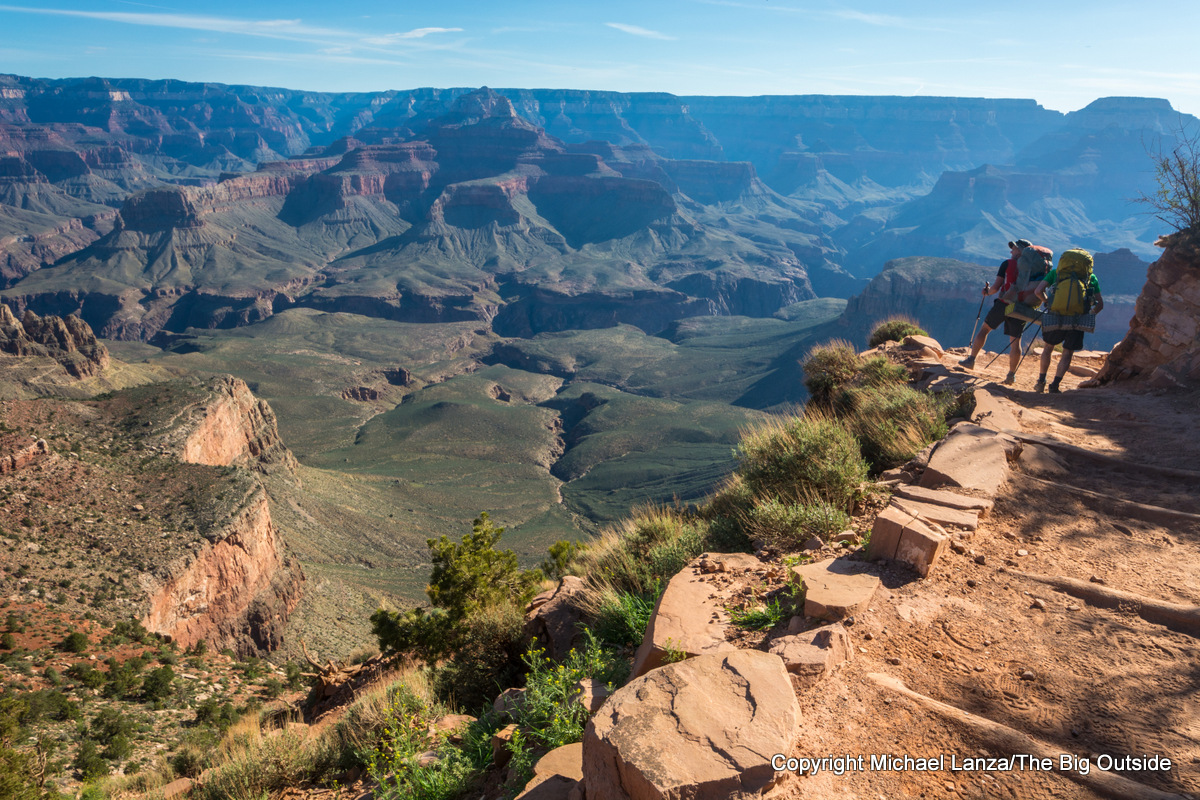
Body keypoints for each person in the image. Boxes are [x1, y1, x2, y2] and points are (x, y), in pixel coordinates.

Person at [959, 238, 1041, 384]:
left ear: (1021, 251)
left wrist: (987, 292)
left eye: (1014, 248)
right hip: (1021, 307)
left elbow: (996, 288)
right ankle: (1011, 376)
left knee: (984, 329)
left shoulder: (1007, 264)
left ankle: (971, 360)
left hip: (1004, 303)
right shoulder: (1033, 269)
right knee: (1016, 341)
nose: (1011, 251)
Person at [1031, 250, 1104, 393]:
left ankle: (1041, 381)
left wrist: (1048, 302)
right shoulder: (1091, 278)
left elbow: (1038, 291)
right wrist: (1089, 314)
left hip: (1055, 316)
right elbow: (1100, 304)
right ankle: (1055, 385)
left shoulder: (1056, 273)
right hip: (1077, 320)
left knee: (1048, 348)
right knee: (1067, 352)